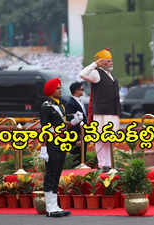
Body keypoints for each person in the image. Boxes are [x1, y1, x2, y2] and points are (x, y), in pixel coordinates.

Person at [39, 78, 83, 217]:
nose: (60, 90)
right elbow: (45, 128)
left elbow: (62, 126)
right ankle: (49, 207)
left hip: (61, 143)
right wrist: (43, 148)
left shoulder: (61, 106)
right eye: (57, 88)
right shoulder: (46, 106)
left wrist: (74, 121)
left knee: (57, 174)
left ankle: (55, 205)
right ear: (51, 91)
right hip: (52, 144)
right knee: (50, 174)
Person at [79, 48, 121, 172]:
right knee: (101, 139)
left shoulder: (110, 74)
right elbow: (82, 74)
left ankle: (110, 164)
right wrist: (95, 64)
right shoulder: (96, 73)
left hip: (113, 112)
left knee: (109, 139)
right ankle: (103, 164)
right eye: (108, 61)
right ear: (101, 63)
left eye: (111, 61)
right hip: (102, 113)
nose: (111, 63)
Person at [65, 82, 88, 168]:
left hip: (83, 133)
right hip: (77, 135)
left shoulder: (80, 101)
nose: (83, 91)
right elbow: (71, 123)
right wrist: (77, 139)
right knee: (76, 157)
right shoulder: (70, 103)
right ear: (76, 91)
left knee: (82, 156)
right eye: (81, 89)